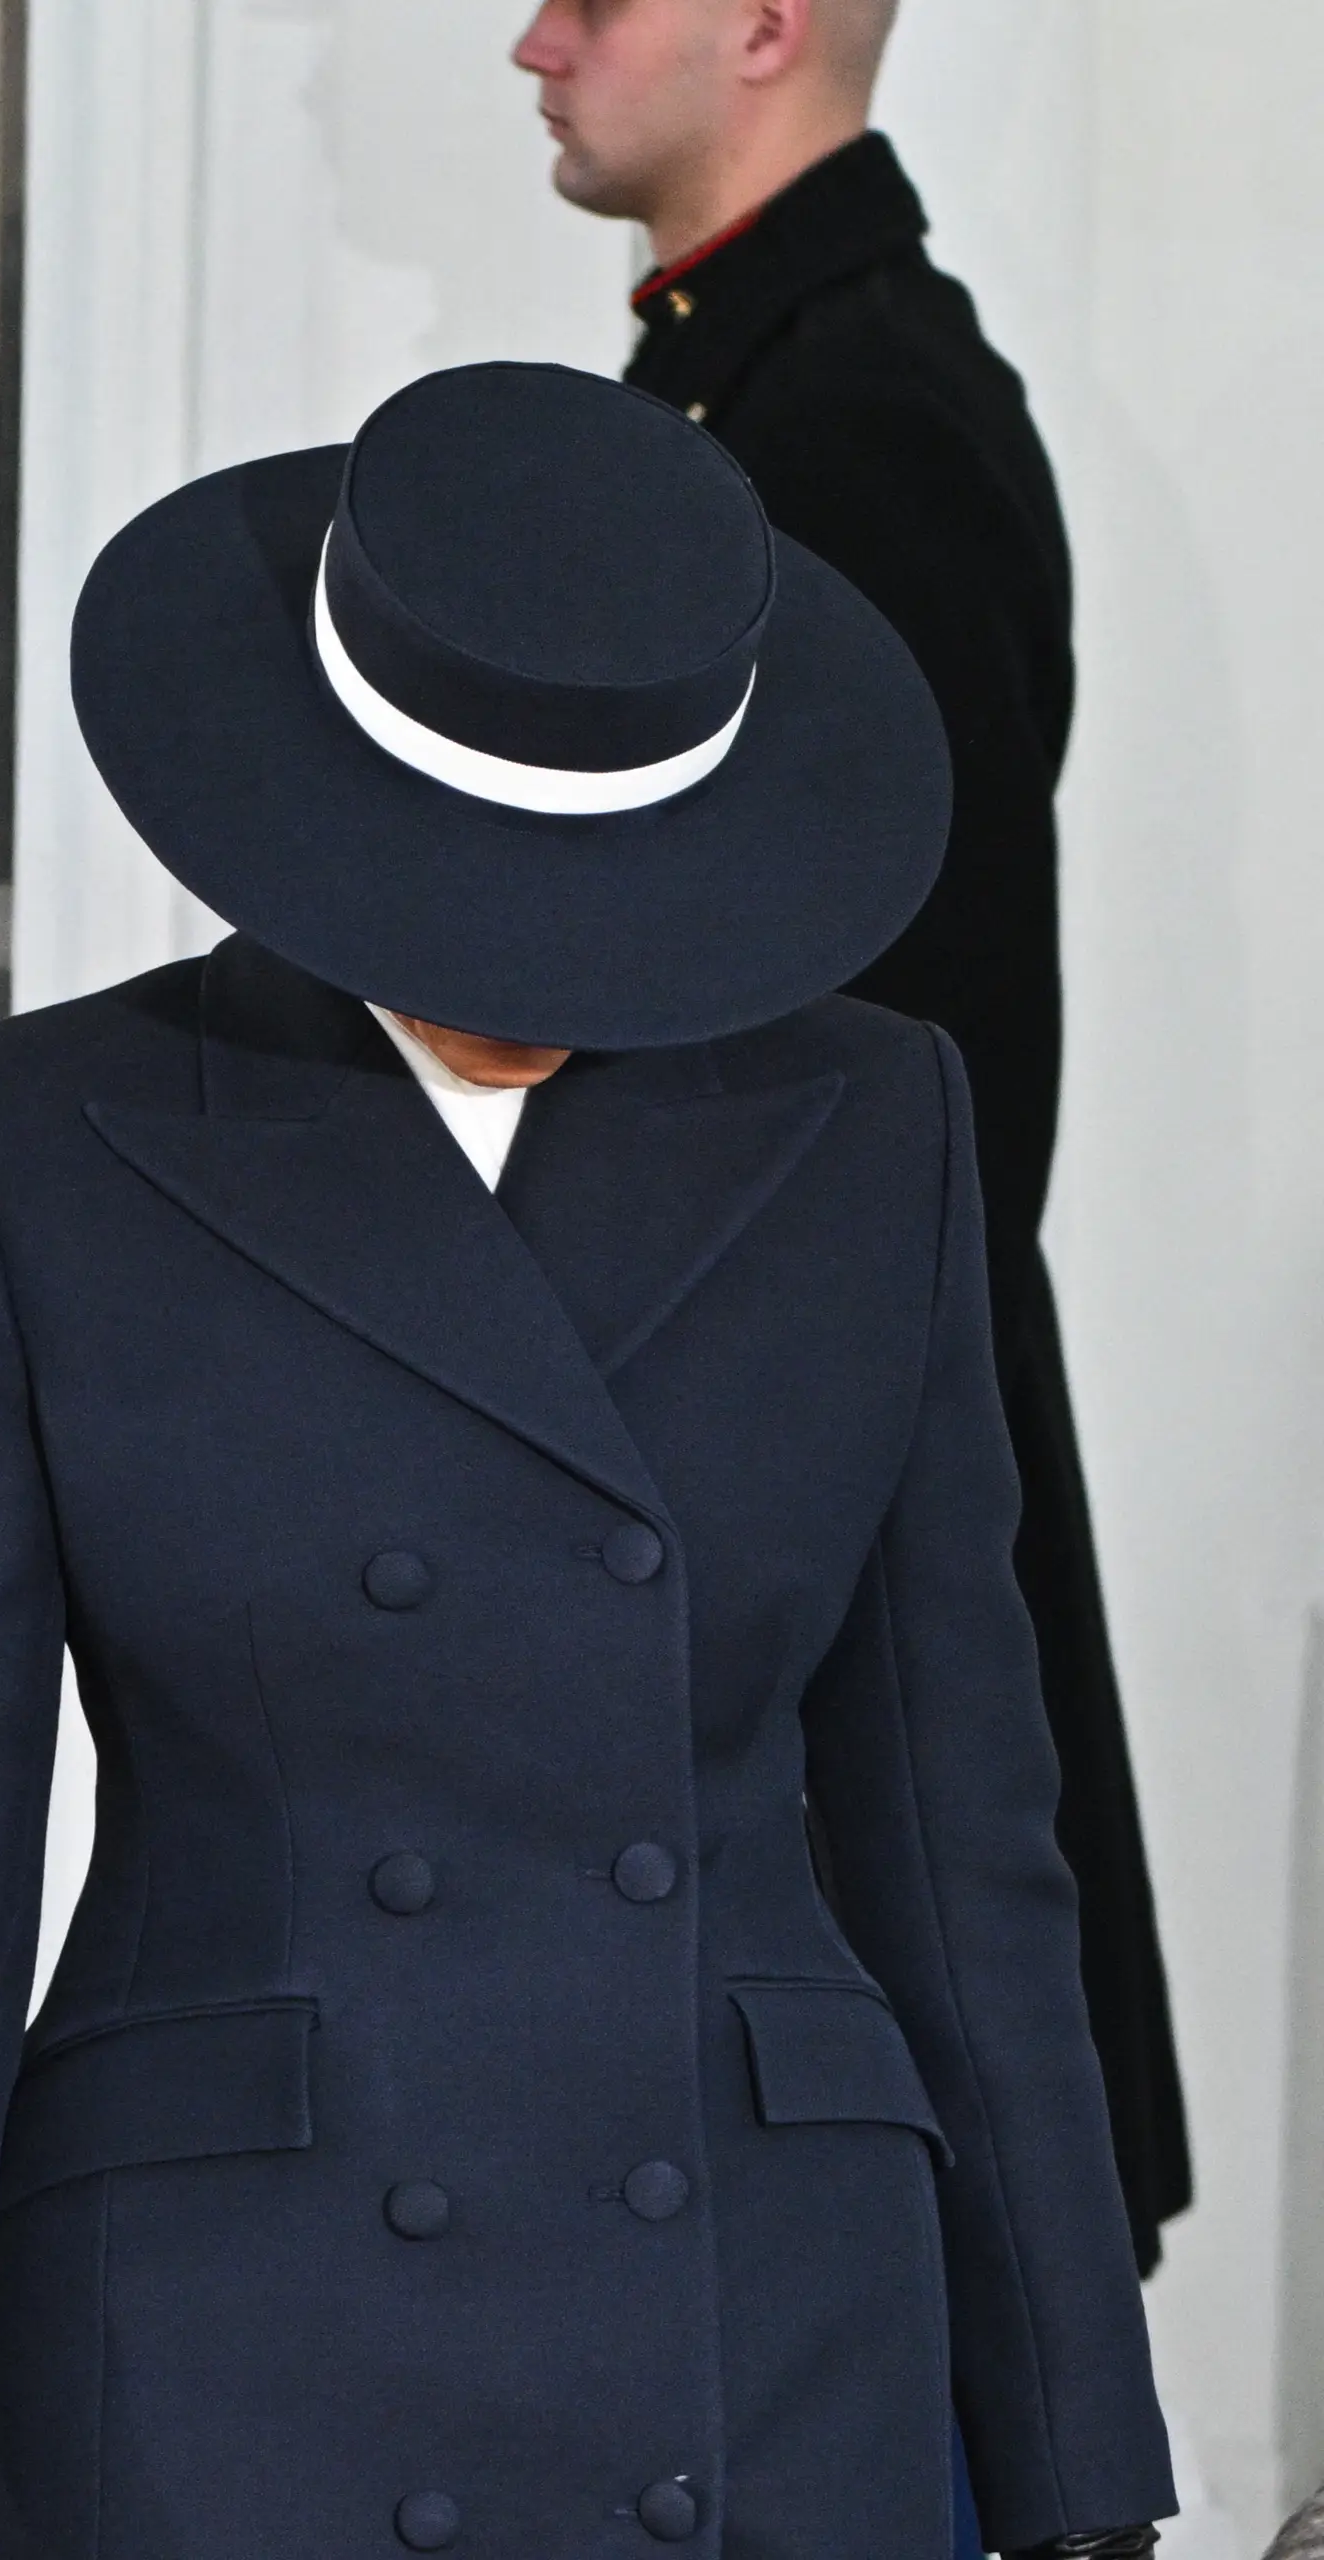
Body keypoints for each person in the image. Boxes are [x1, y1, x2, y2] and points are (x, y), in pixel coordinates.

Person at [0, 365, 1169, 2559]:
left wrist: (1085, 2466)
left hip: (768, 2340)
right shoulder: (49, 1150)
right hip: (237, 2351)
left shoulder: (874, 1130)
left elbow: (969, 1841)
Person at [512, 0, 1188, 2276]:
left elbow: (910, 1064)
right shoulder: (738, 389)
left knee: (841, 2241)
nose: (530, 42)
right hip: (700, 1460)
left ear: (764, 26)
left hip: (785, 1489)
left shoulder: (857, 419)